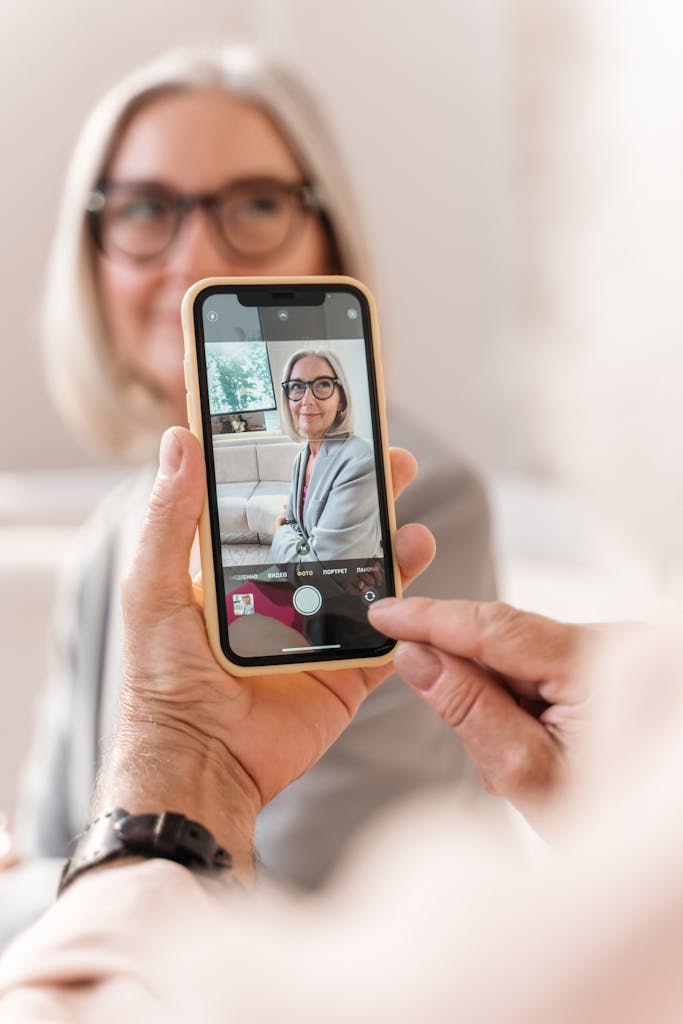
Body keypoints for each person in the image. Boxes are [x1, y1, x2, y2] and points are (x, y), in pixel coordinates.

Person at [1, 46, 496, 945]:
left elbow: (324, 910)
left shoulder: (424, 503)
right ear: (94, 259)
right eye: (146, 208)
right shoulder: (114, 532)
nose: (196, 254)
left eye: (256, 203)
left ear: (327, 241)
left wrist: (68, 875)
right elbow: (44, 849)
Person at [2, 428, 681, 1022]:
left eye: (255, 267)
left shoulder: (415, 487)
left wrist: (185, 750)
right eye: (140, 265)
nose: (181, 274)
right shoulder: (113, 525)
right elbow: (43, 825)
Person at [271, 348, 382, 563]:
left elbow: (320, 568)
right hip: (304, 581)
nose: (307, 399)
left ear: (341, 400)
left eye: (323, 384)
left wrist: (278, 534)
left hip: (353, 590)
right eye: (296, 387)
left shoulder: (361, 459)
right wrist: (299, 542)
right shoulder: (301, 459)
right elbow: (294, 524)